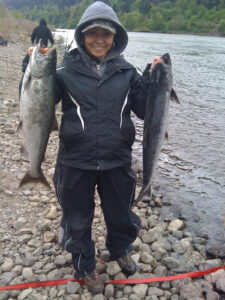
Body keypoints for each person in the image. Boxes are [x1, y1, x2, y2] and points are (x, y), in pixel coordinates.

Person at [53, 1, 155, 294]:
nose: (99, 39)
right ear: (82, 35)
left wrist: (150, 81)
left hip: (117, 160)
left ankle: (120, 248)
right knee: (76, 218)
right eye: (92, 33)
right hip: (75, 161)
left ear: (115, 37)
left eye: (106, 34)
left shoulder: (127, 72)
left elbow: (146, 110)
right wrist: (31, 70)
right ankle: (84, 265)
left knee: (121, 214)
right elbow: (40, 102)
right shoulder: (63, 72)